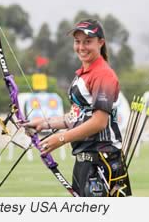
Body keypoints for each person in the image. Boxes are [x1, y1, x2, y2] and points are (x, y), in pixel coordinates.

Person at [22, 19, 131, 197]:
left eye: (88, 41)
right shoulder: (84, 73)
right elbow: (76, 116)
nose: (81, 47)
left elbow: (99, 122)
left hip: (103, 161)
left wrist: (61, 138)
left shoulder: (103, 74)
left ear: (100, 42)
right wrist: (44, 123)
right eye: (77, 41)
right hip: (85, 161)